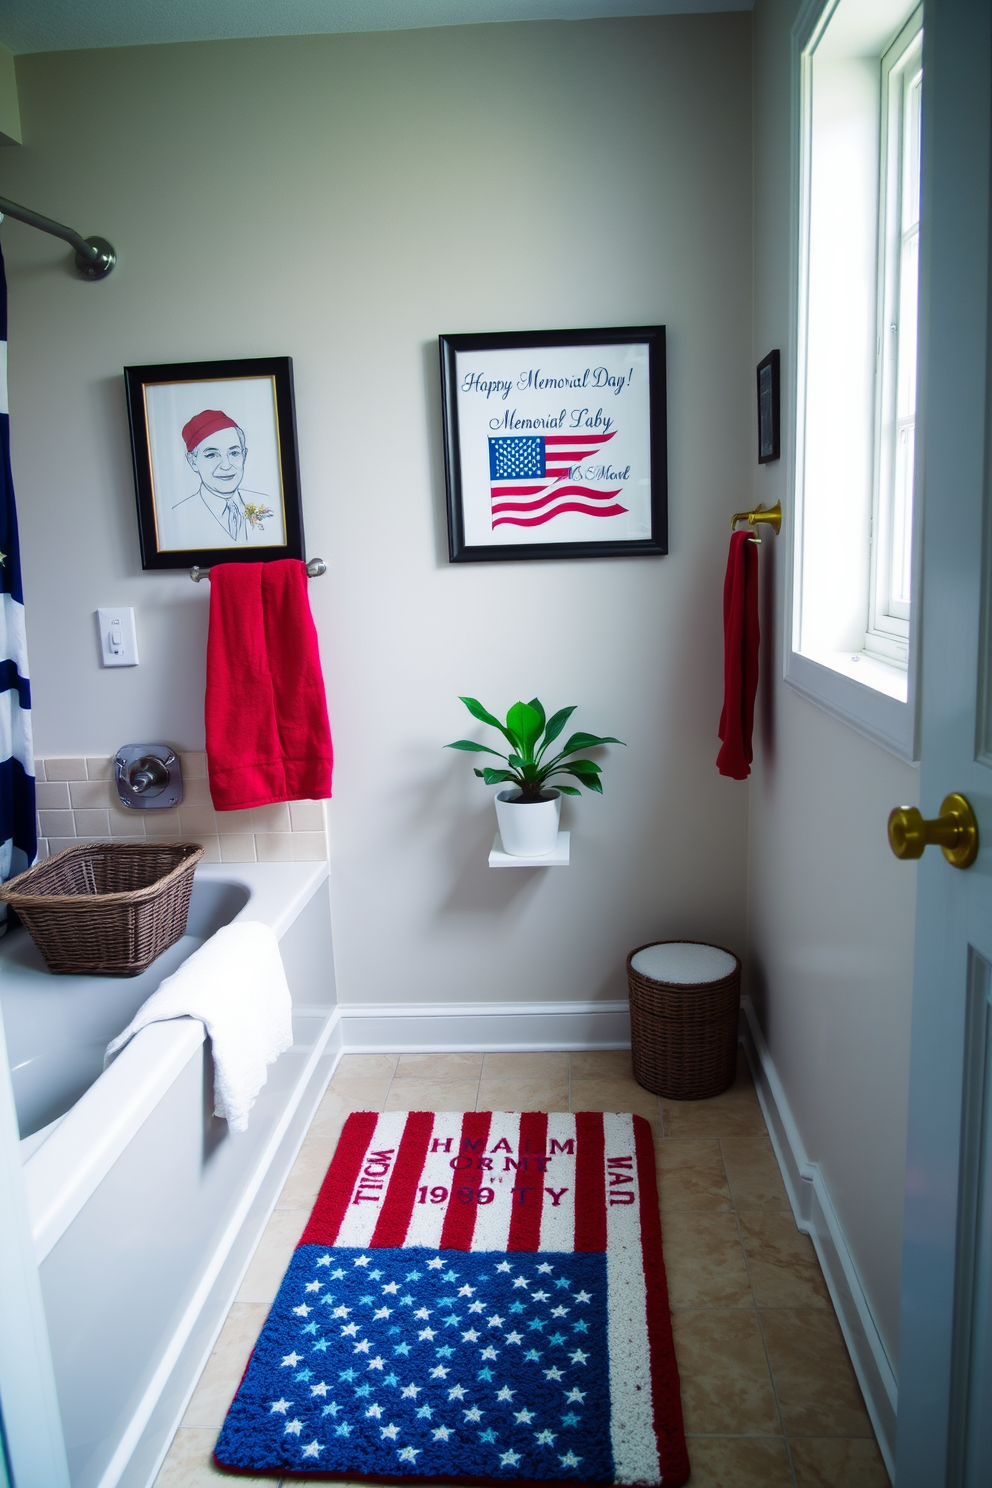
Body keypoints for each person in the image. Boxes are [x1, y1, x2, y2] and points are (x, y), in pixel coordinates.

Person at [170, 408, 277, 546]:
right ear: (193, 462)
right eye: (212, 455)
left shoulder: (265, 502)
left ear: (244, 455)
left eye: (234, 453)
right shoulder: (179, 515)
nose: (226, 466)